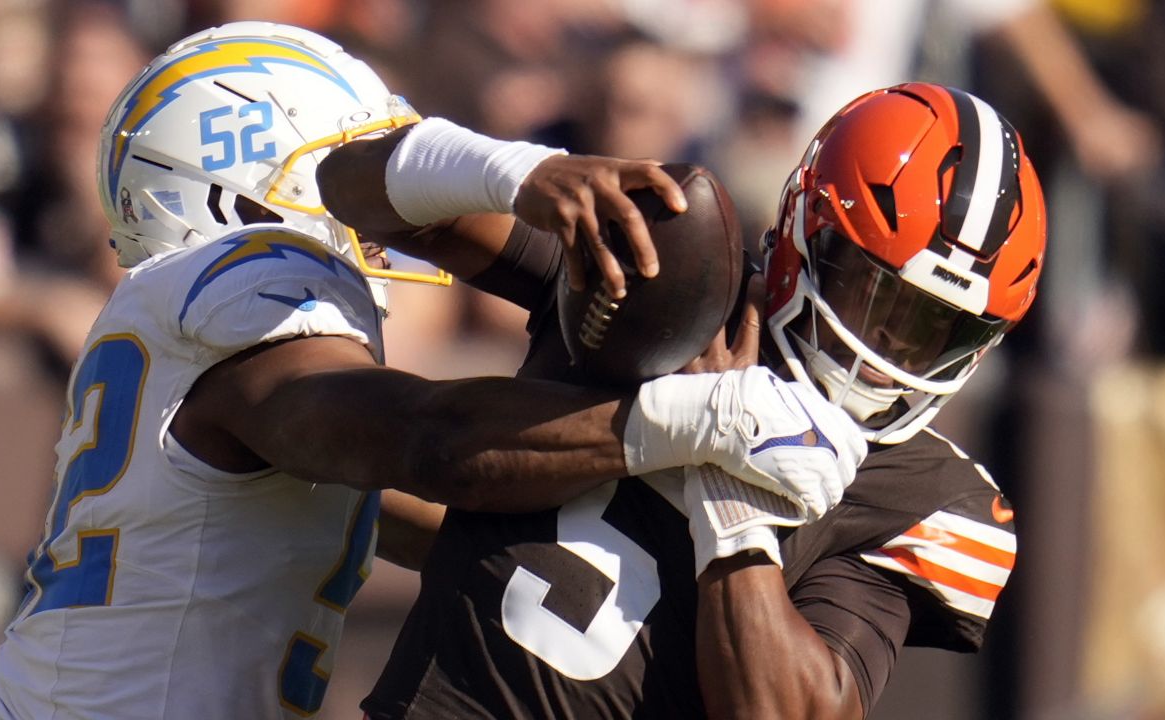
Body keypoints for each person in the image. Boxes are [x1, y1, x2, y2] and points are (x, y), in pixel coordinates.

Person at [0, 22, 866, 720]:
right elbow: (430, 442)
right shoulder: (248, 282)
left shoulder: (190, 324)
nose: (379, 206)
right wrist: (693, 421)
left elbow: (482, 537)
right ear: (247, 174)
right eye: (345, 154)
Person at [321, 82, 1043, 719]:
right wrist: (518, 171)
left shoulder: (929, 498)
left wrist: (736, 511)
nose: (885, 347)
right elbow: (349, 189)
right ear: (804, 229)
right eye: (872, 292)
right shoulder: (672, 274)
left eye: (933, 331)